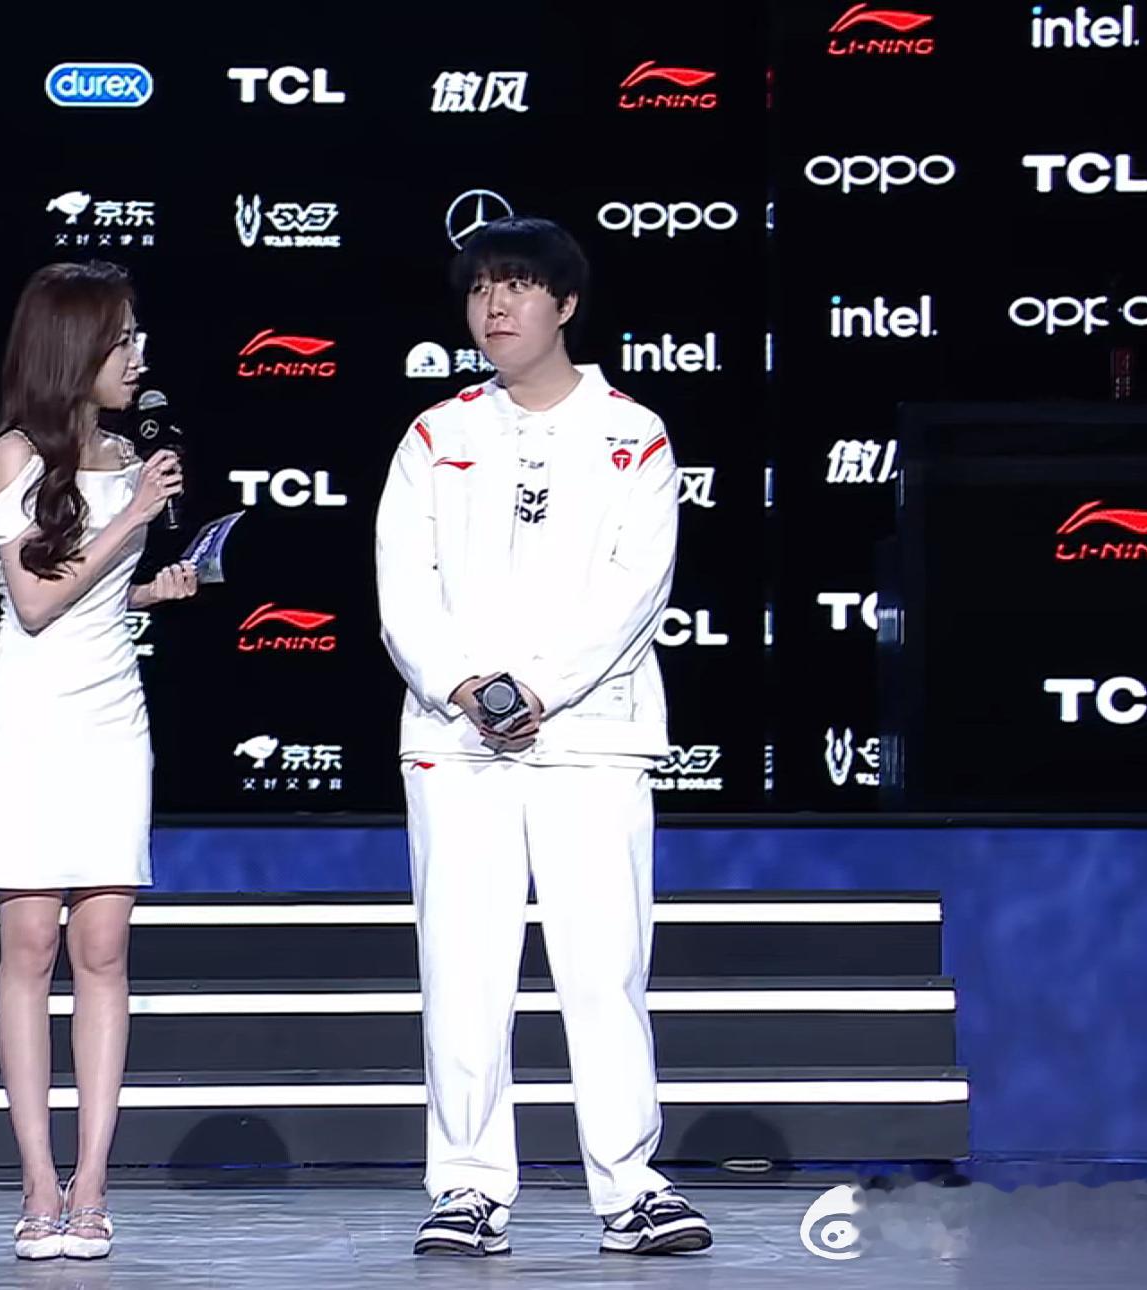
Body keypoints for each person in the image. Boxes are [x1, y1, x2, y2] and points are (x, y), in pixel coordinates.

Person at [371, 217, 711, 1257]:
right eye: (481, 289)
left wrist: (540, 690)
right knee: (463, 972)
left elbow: (635, 588)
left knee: (603, 971)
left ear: (565, 304)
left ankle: (631, 1188)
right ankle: (468, 1188)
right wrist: (466, 687)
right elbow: (403, 586)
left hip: (594, 739)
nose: (495, 307)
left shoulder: (634, 432)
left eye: (517, 286)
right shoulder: (436, 434)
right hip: (456, 741)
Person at [0, 260, 199, 1261]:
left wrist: (151, 590)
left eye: (137, 338)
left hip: (110, 714)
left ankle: (93, 1184)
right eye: (123, 339)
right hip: (29, 715)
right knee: (30, 947)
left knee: (103, 949)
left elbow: (88, 596)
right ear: (75, 348)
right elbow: (34, 603)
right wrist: (132, 517)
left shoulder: (128, 452)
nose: (139, 356)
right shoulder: (15, 455)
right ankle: (37, 1182)